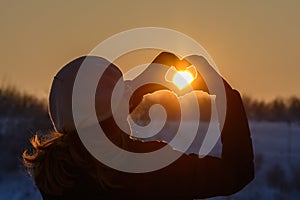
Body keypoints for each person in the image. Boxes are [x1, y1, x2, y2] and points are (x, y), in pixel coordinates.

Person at [23, 53, 254, 199]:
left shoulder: (53, 174)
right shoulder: (143, 168)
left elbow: (97, 119)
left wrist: (141, 85)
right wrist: (226, 95)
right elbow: (237, 173)